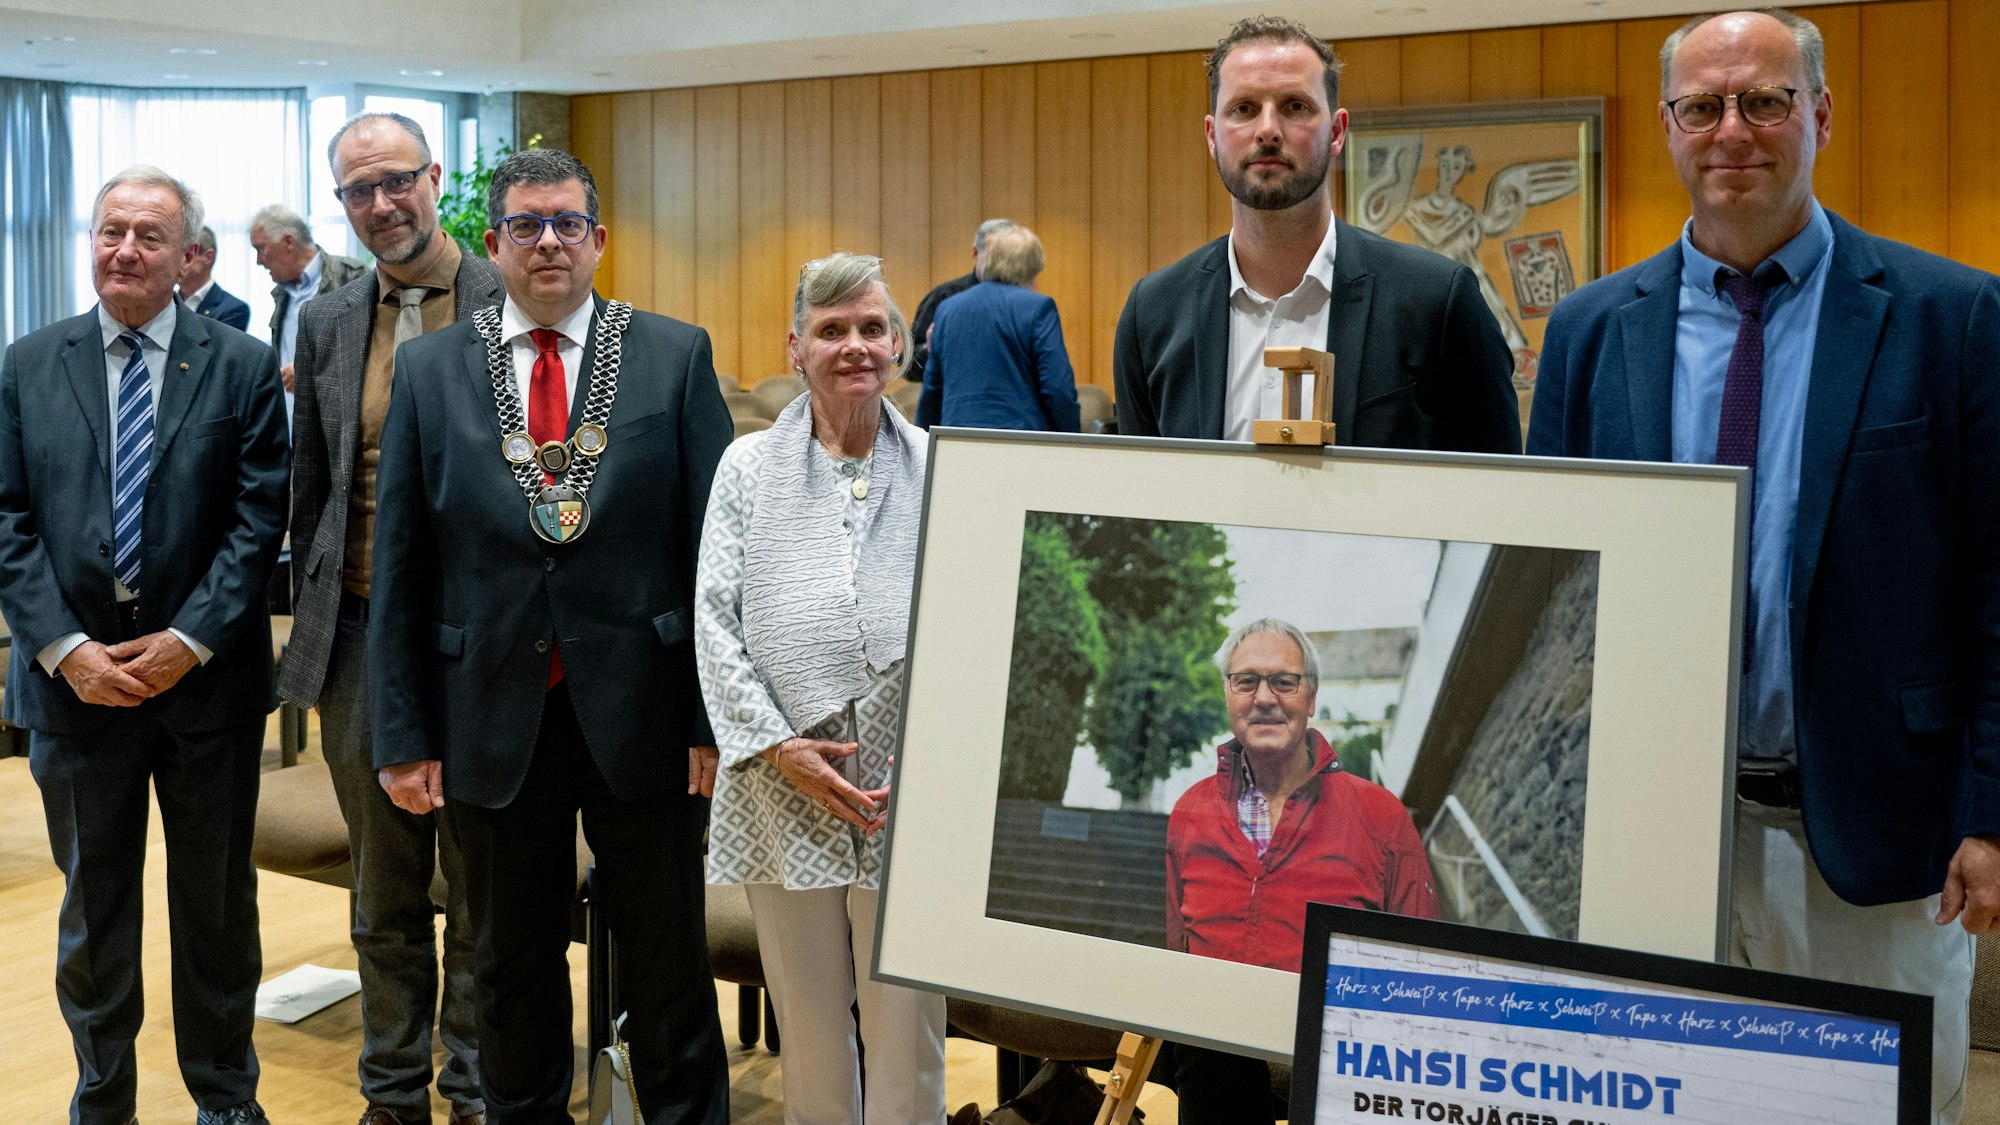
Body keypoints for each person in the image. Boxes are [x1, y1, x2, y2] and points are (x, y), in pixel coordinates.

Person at [1525, 10, 2000, 1123]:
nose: (1730, 129)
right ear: (1667, 128)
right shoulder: (1591, 332)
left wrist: (1987, 812)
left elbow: (1992, 587)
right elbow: (1551, 588)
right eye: (1702, 106)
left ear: (1818, 115)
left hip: (1877, 840)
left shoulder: (1953, 318)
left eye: (1764, 100)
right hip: (1659, 834)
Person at [368, 148, 731, 1124]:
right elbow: (402, 562)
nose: (548, 243)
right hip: (488, 708)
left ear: (599, 239)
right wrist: (401, 735)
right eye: (525, 225)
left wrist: (711, 720)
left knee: (667, 961)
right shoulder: (431, 370)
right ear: (492, 243)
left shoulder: (673, 354)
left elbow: (712, 556)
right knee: (510, 963)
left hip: (648, 713)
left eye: (567, 223)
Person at [0, 165, 289, 1125]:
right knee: (94, 910)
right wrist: (66, 647)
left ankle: (225, 1097)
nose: (126, 249)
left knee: (215, 907)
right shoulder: (27, 361)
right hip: (72, 690)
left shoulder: (240, 365)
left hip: (206, 690)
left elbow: (258, 520)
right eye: (111, 230)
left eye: (149, 236)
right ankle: (102, 1096)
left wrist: (190, 639)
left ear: (186, 257)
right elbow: (7, 522)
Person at [281, 111, 502, 1125]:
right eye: (357, 193)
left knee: (484, 885)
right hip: (361, 636)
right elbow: (314, 486)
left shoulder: (513, 299)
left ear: (434, 177)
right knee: (385, 888)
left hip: (487, 648)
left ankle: (473, 1083)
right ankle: (391, 1091)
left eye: (395, 182)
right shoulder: (327, 320)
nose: (380, 206)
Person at [696, 251, 947, 1125]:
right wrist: (777, 744)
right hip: (781, 777)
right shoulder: (744, 467)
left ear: (899, 344)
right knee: (806, 1020)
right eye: (830, 329)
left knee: (906, 1018)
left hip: (907, 783)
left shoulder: (943, 463)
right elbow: (715, 622)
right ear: (794, 346)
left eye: (872, 328)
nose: (854, 346)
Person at [1113, 15, 1518, 454]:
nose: (1268, 130)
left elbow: (1496, 497)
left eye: (1295, 106)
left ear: (1337, 131)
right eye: (1244, 109)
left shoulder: (1437, 301)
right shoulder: (1152, 313)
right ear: (1213, 136)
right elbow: (1143, 506)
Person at [1163, 617, 1437, 1119]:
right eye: (1246, 681)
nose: (1264, 697)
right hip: (1216, 1068)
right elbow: (1177, 948)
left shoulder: (1381, 817)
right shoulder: (1189, 814)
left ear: (1311, 697)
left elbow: (1422, 965)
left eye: (1283, 682)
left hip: (1344, 1061)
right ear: (1228, 695)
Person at [920, 224, 1080, 431]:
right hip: (1018, 441)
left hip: (956, 440)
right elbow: (1057, 388)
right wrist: (1073, 441)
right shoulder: (1038, 307)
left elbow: (932, 388)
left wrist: (924, 445)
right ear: (1034, 266)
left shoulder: (947, 309)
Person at [251, 203, 365, 398]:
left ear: (288, 241)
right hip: (291, 420)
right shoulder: (281, 294)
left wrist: (310, 370)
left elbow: (368, 349)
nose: (258, 261)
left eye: (261, 249)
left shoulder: (351, 276)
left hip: (335, 419)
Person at [906, 216, 1014, 397]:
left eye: (1008, 256)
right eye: (994, 254)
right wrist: (929, 349)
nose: (1001, 263)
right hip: (954, 407)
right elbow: (909, 367)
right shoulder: (944, 298)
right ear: (975, 253)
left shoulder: (1026, 305)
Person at [180, 225, 252, 331]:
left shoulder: (234, 310)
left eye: (186, 255)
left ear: (208, 257)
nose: (174, 262)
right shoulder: (164, 302)